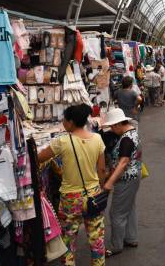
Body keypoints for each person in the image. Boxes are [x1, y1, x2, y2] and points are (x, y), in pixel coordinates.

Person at [37, 104, 107, 266]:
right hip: (94, 194)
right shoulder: (97, 139)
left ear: (71, 122)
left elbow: (40, 157)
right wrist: (101, 187)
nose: (62, 123)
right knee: (97, 239)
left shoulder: (62, 141)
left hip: (70, 198)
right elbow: (102, 169)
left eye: (64, 120)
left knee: (68, 239)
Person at [102, 108, 142, 257]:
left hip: (126, 179)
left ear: (119, 124)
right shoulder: (133, 132)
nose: (112, 129)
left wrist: (109, 182)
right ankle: (131, 238)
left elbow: (123, 162)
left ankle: (116, 246)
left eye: (112, 126)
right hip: (133, 177)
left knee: (117, 213)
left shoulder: (126, 138)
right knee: (129, 208)